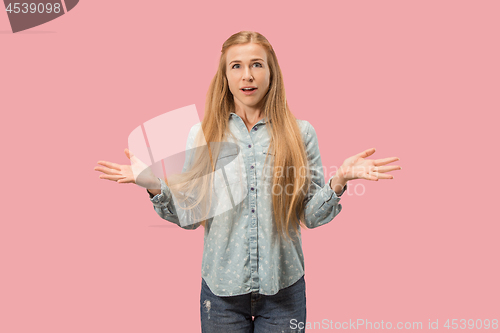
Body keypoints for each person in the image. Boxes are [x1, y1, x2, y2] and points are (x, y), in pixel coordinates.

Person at [94, 31, 401, 333]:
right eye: (236, 66)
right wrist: (154, 186)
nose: (247, 76)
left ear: (271, 72)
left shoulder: (300, 133)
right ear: (225, 76)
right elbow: (190, 217)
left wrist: (340, 180)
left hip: (284, 290)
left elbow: (309, 215)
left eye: (257, 64)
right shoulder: (202, 136)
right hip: (221, 293)